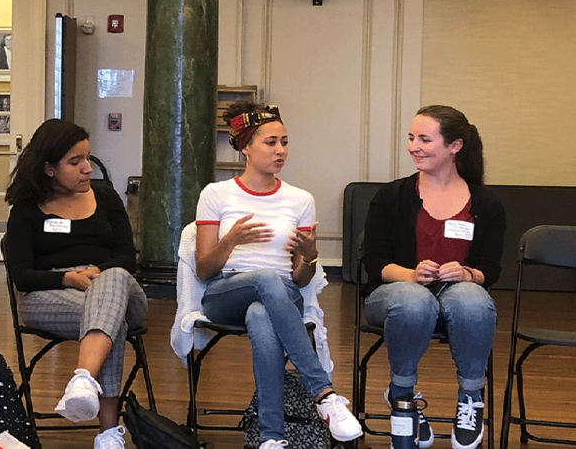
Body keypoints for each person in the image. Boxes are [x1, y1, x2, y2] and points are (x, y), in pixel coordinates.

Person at [193, 101, 361, 449]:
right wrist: (231, 241)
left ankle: (271, 439)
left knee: (262, 311)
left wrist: (312, 257)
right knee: (267, 280)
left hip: (283, 294)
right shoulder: (216, 194)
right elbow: (204, 269)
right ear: (244, 146)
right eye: (271, 142)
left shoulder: (300, 199)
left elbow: (299, 279)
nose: (280, 150)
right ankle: (324, 394)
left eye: (284, 141)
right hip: (226, 292)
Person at [362, 105, 504, 449]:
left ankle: (471, 398)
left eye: (425, 139)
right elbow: (374, 262)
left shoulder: (486, 203)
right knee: (414, 300)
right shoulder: (391, 197)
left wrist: (468, 273)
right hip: (395, 294)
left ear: (455, 146)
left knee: (471, 299)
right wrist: (410, 275)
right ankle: (402, 395)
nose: (414, 146)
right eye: (411, 138)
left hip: (456, 295)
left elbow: (492, 268)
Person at [3, 119, 147, 449]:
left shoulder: (107, 199)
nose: (87, 168)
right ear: (49, 168)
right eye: (75, 161)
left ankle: (83, 378)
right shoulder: (26, 211)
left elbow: (128, 259)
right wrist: (67, 278)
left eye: (88, 158)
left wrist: (96, 272)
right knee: (111, 321)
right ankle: (108, 434)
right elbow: (22, 276)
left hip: (116, 285)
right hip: (51, 295)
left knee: (113, 284)